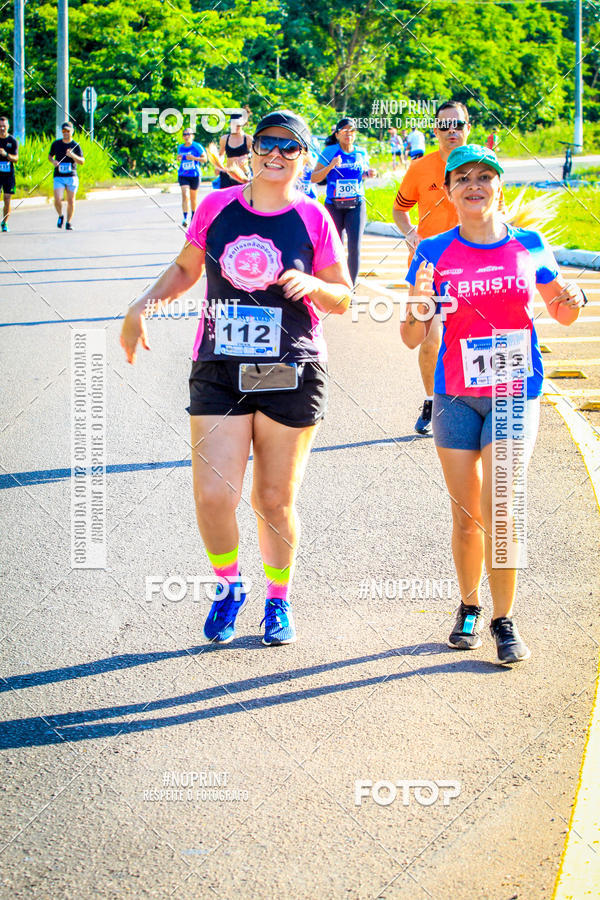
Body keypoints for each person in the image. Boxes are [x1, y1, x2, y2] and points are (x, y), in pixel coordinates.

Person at [120, 110, 352, 647]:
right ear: (250, 149)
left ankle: (278, 599)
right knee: (212, 495)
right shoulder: (216, 207)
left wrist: (312, 283)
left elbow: (343, 296)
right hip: (220, 364)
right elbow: (185, 268)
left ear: (305, 157)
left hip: (289, 366)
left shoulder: (314, 218)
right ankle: (229, 587)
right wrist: (143, 305)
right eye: (266, 142)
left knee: (272, 499)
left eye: (289, 147)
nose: (275, 153)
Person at [401, 145, 587, 664]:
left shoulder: (529, 244)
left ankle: (505, 619)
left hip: (513, 391)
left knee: (502, 507)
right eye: (463, 179)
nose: (475, 186)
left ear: (498, 186)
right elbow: (410, 337)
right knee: (466, 515)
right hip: (455, 395)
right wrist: (417, 306)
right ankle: (468, 607)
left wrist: (571, 299)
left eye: (485, 177)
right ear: (450, 189)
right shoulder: (432, 250)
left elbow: (564, 315)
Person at [393, 101, 471, 434]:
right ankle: (431, 400)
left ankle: (472, 402)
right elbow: (399, 209)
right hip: (429, 269)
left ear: (468, 128)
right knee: (430, 340)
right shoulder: (421, 169)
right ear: (435, 131)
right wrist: (410, 233)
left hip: (473, 267)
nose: (451, 130)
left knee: (473, 340)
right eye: (444, 126)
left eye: (458, 124)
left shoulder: (482, 166)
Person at [311, 117, 376, 285]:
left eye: (352, 130)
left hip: (356, 204)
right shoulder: (329, 151)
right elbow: (314, 178)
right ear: (337, 134)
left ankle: (350, 288)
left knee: (355, 248)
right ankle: (333, 284)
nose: (349, 134)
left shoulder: (361, 152)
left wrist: (369, 174)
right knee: (335, 247)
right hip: (334, 205)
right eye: (345, 130)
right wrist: (331, 165)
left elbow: (361, 175)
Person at [48, 122, 85, 230]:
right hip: (59, 176)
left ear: (72, 131)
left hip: (71, 176)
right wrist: (53, 161)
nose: (65, 133)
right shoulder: (56, 144)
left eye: (68, 131)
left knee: (71, 200)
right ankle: (60, 216)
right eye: (64, 131)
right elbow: (50, 156)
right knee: (57, 199)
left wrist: (72, 155)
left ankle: (69, 222)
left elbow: (82, 161)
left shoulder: (75, 145)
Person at [177, 128, 207, 227]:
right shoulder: (180, 147)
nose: (186, 136)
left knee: (193, 198)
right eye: (184, 134)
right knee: (185, 195)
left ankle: (193, 218)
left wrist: (194, 158)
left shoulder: (197, 146)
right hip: (183, 174)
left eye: (188, 134)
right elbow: (179, 158)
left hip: (194, 175)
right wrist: (179, 158)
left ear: (192, 135)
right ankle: (185, 218)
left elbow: (204, 159)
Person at [217, 112, 251, 188]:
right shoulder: (224, 139)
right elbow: (221, 155)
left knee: (242, 198)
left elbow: (255, 155)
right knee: (226, 199)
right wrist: (218, 166)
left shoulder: (248, 139)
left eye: (238, 125)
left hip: (242, 174)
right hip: (228, 173)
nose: (235, 127)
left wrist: (246, 157)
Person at [0, 117, 18, 233]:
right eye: (0, 126)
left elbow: (16, 159)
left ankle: (4, 222)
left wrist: (6, 154)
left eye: (4, 126)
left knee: (7, 199)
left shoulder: (12, 141)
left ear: (8, 127)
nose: (2, 128)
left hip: (8, 175)